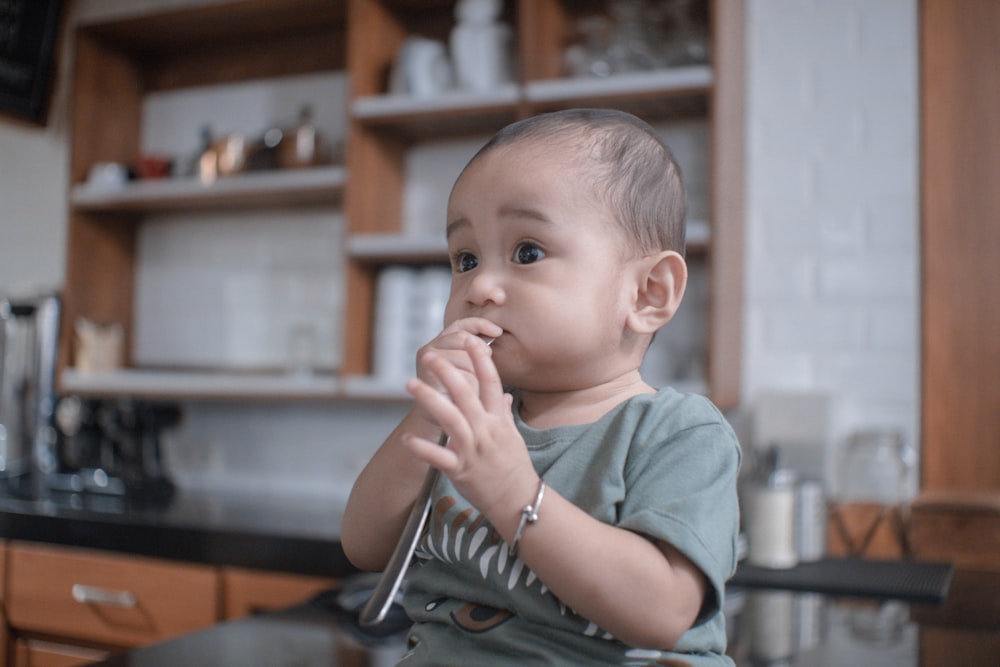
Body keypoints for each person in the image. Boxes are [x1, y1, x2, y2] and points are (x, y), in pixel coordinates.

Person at [342, 108, 741, 666]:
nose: (479, 285)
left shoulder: (678, 433)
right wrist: (428, 413)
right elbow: (363, 546)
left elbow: (664, 611)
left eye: (527, 252)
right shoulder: (471, 425)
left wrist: (513, 494)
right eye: (465, 258)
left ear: (649, 293)